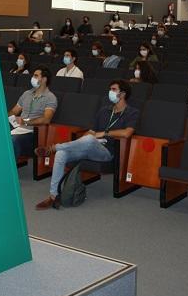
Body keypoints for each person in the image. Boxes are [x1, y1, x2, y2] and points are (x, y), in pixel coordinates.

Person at [34, 80, 139, 209]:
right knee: (62, 154)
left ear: (122, 94)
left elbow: (127, 133)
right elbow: (91, 131)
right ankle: (53, 196)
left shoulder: (132, 112)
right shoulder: (104, 110)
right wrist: (82, 141)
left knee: (89, 139)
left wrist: (104, 133)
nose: (110, 92)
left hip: (107, 152)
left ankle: (54, 147)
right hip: (89, 147)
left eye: (113, 89)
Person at [8, 67, 57, 159]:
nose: (32, 78)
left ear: (44, 79)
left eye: (36, 76)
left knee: (12, 140)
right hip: (18, 128)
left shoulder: (50, 97)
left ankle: (7, 169)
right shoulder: (26, 93)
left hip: (33, 133)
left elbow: (46, 119)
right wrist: (2, 116)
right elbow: (14, 111)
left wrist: (25, 122)